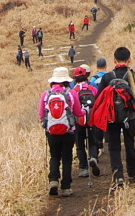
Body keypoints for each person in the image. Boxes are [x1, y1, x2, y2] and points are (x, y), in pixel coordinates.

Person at [93, 46, 135, 188]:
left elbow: (98, 98)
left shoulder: (107, 77)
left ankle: (118, 176)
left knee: (114, 146)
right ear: (129, 59)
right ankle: (132, 172)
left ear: (114, 60)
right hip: (129, 116)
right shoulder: (133, 76)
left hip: (111, 117)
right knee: (130, 143)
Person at [39, 67, 84, 197]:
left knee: (54, 156)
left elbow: (41, 115)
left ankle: (53, 180)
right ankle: (66, 187)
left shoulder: (46, 94)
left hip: (52, 132)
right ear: (67, 80)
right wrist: (84, 113)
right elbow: (78, 113)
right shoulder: (71, 94)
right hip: (68, 131)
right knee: (67, 157)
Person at [71, 66, 102, 178]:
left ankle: (84, 168)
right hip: (92, 119)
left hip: (79, 121)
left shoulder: (73, 91)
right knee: (93, 142)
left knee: (80, 144)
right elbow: (99, 101)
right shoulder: (92, 88)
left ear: (75, 78)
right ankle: (93, 157)